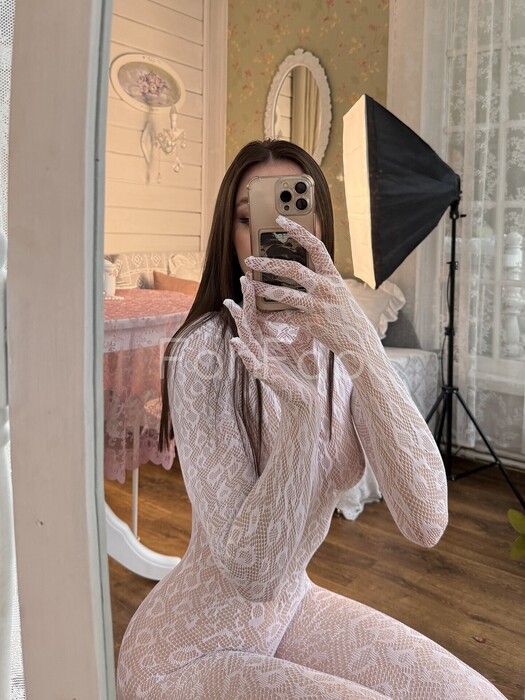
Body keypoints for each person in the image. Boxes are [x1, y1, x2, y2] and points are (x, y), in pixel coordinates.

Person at [116, 140, 506, 699]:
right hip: (186, 653)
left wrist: (360, 343)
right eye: (249, 217)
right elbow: (253, 576)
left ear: (318, 227)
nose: (273, 234)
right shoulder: (204, 350)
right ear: (229, 234)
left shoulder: (341, 347)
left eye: (292, 211)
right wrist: (299, 419)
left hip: (290, 608)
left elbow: (425, 521)